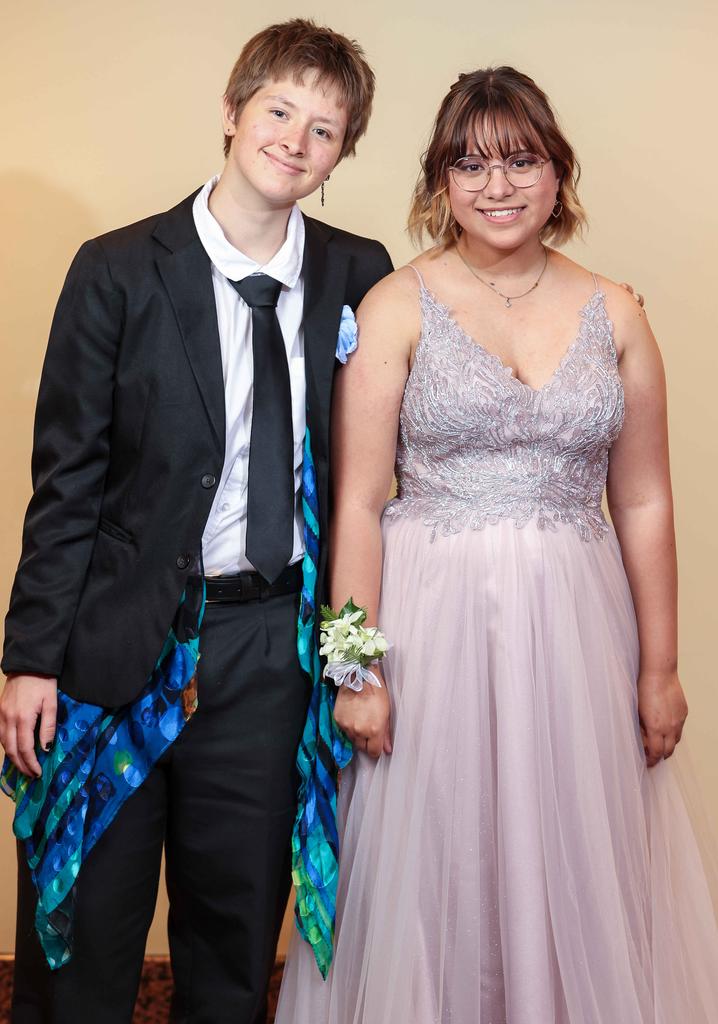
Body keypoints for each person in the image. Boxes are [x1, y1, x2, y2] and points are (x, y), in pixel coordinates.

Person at [275, 66, 718, 1023]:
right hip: (432, 625)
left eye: (520, 160)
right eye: (470, 164)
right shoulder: (395, 305)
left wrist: (660, 668)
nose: (496, 185)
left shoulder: (616, 310)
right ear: (439, 183)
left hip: (577, 628)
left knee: (577, 854)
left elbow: (646, 502)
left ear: (558, 174)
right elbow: (360, 505)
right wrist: (354, 672)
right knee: (441, 861)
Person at [0, 18, 392, 1023]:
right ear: (232, 112)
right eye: (279, 112)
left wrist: (354, 658)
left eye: (325, 129)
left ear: (341, 154)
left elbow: (372, 487)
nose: (296, 141)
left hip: (272, 651)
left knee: (232, 939)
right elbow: (68, 481)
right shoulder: (118, 268)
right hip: (118, 644)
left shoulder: (361, 273)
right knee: (85, 939)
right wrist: (29, 660)